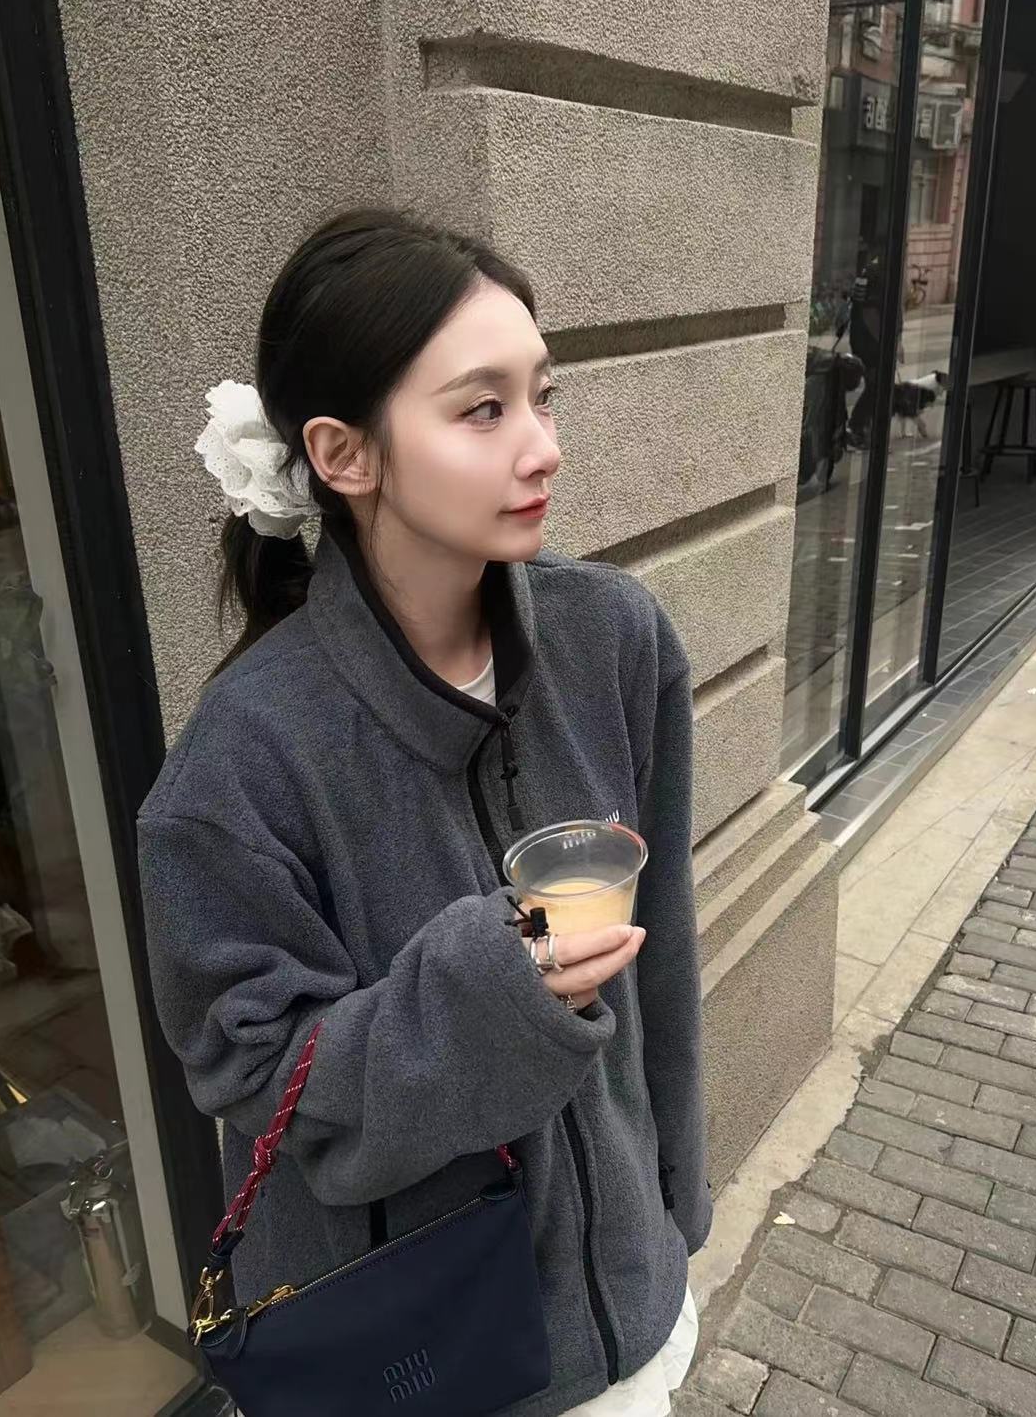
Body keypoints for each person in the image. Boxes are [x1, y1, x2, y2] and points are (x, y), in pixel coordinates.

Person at [138, 208, 711, 1416]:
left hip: (635, 1300)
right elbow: (258, 1079)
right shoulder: (237, 769)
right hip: (437, 1358)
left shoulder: (613, 641)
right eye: (482, 409)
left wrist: (672, 1210)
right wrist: (493, 981)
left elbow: (662, 959)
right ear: (344, 455)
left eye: (542, 397)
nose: (542, 448)